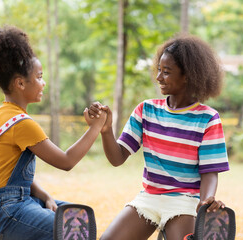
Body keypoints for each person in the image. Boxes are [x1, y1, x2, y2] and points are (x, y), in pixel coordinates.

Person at [89, 34, 230, 240]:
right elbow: (117, 158)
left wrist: (207, 200)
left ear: (188, 76)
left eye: (166, 72)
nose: (158, 77)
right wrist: (106, 129)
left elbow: (210, 172)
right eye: (159, 70)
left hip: (186, 200)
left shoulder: (208, 118)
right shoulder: (146, 110)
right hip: (149, 198)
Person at [0, 26, 106, 240]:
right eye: (40, 77)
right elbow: (66, 161)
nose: (43, 83)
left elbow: (6, 175)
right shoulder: (21, 123)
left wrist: (44, 196)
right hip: (2, 210)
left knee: (80, 217)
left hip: (9, 202)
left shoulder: (4, 113)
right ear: (20, 83)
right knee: (74, 230)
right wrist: (95, 128)